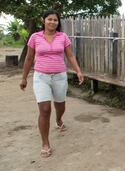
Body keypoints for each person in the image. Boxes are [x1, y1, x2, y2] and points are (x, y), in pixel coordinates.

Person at [20, 10, 84, 158]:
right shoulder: (35, 37)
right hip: (41, 77)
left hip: (60, 77)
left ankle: (59, 119)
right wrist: (24, 78)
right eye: (49, 19)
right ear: (43, 20)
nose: (52, 22)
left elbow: (70, 55)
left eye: (55, 20)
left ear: (58, 22)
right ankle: (45, 143)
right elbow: (29, 59)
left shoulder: (63, 37)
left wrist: (78, 71)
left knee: (60, 105)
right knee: (45, 110)